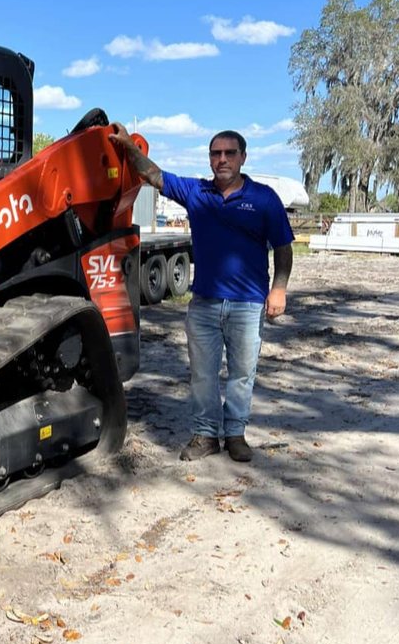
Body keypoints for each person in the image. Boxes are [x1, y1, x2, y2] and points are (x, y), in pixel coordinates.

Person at [109, 124, 294, 463]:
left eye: (229, 153)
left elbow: (283, 247)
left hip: (248, 305)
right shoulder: (197, 193)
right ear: (209, 159)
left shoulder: (264, 198)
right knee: (203, 374)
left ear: (243, 157)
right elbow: (154, 174)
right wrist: (126, 146)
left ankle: (235, 435)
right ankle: (205, 436)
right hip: (205, 304)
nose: (222, 159)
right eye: (215, 153)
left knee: (242, 374)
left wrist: (278, 289)